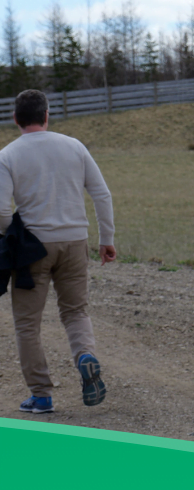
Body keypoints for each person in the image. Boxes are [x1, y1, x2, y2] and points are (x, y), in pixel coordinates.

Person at [0, 89, 115, 413]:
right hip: (75, 240)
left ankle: (41, 394)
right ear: (47, 115)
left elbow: (0, 211)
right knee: (75, 312)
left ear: (15, 119)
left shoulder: (7, 155)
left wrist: (12, 234)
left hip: (31, 248)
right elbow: (101, 194)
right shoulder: (74, 146)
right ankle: (85, 356)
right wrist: (106, 239)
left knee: (27, 324)